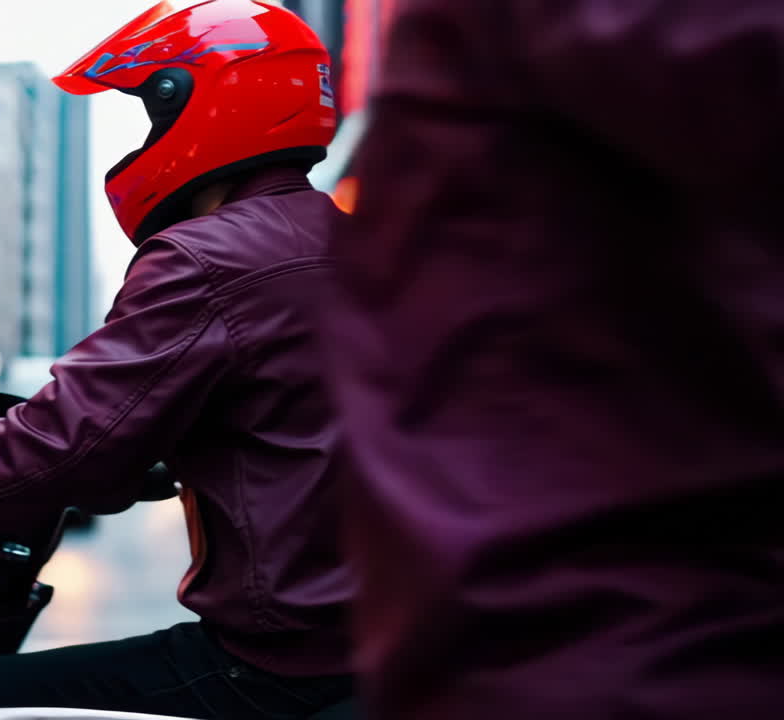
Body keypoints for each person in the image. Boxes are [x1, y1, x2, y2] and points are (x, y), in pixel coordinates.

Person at [0, 2, 357, 718]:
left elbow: (67, 438)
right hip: (371, 640)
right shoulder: (352, 246)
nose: (145, 139)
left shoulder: (208, 258)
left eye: (149, 110)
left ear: (201, 103)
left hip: (279, 666)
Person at [321, 1, 784, 718]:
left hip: (605, 637)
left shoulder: (202, 259)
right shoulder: (299, 228)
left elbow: (91, 434)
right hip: (615, 626)